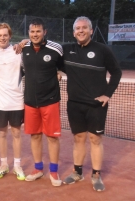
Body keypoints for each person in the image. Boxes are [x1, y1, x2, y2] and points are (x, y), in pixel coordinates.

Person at [62, 16, 122, 191]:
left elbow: (116, 72)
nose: (81, 31)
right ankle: (77, 172)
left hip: (96, 105)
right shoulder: (66, 49)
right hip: (74, 104)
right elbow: (47, 51)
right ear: (74, 33)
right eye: (77, 28)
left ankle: (96, 174)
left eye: (84, 28)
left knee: (95, 139)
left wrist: (107, 94)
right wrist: (25, 42)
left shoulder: (102, 50)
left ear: (91, 31)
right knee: (78, 138)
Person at [20, 18, 63, 186]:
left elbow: (63, 65)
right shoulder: (24, 49)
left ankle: (53, 171)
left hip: (50, 100)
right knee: (35, 136)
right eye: (32, 31)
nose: (35, 34)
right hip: (30, 101)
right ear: (29, 33)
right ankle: (38, 169)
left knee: (52, 137)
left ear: (45, 32)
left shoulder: (56, 48)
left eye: (38, 31)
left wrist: (59, 70)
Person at [0, 23, 25, 181]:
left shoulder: (19, 52)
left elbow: (35, 43)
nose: (2, 38)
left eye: (5, 35)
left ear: (10, 36)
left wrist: (25, 41)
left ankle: (17, 165)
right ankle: (4, 165)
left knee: (16, 133)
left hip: (16, 101)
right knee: (2, 133)